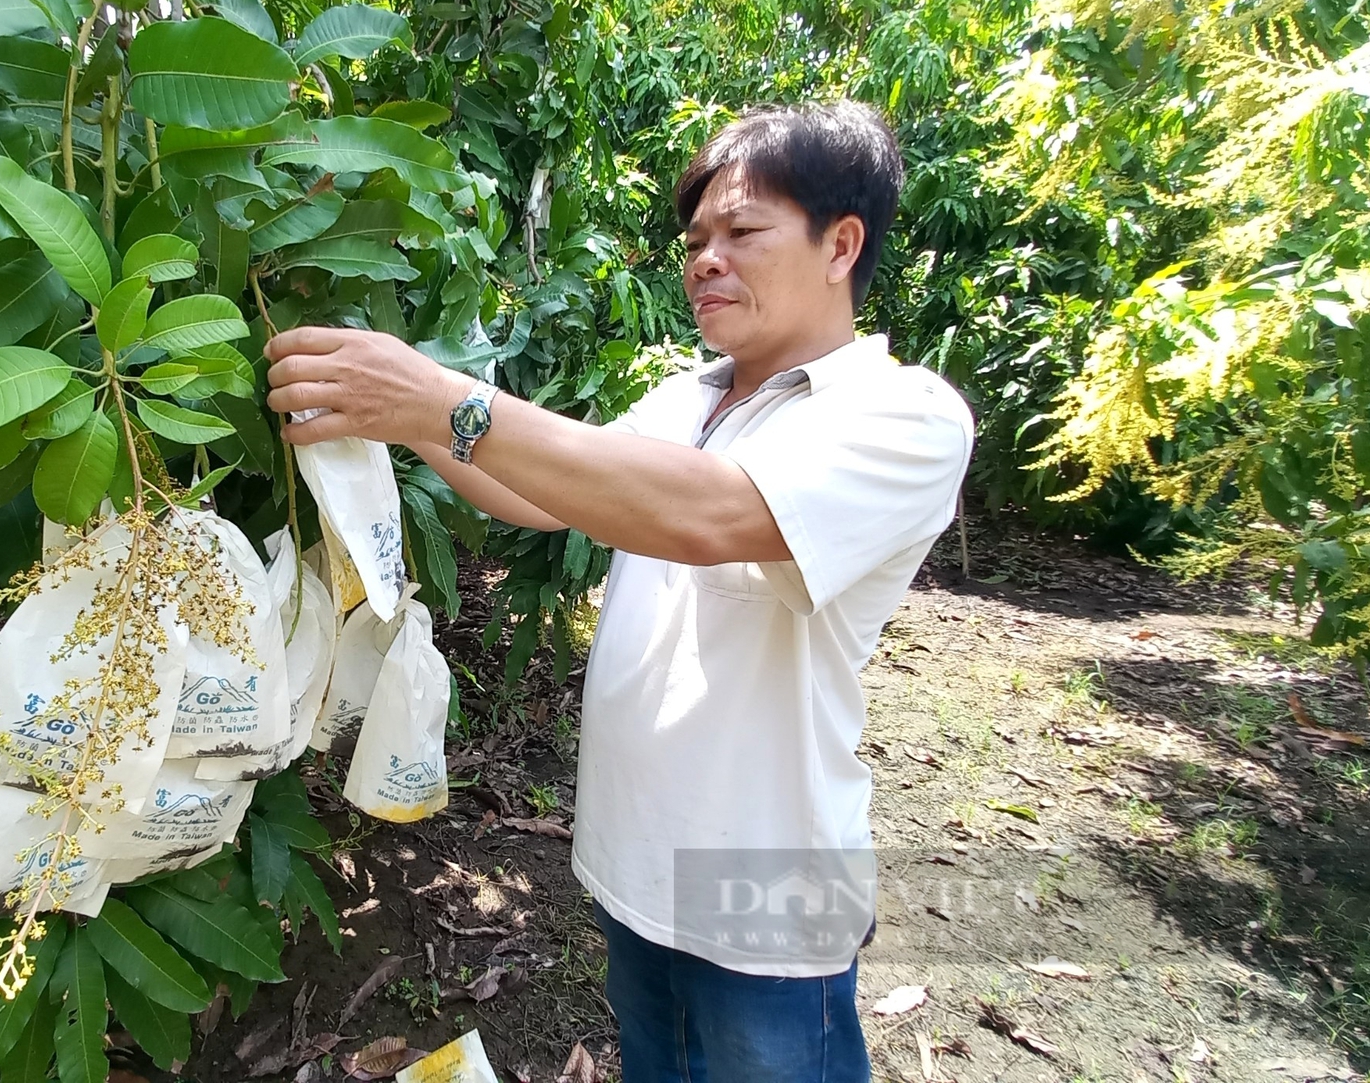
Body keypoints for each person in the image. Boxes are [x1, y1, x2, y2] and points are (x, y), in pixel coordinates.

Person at [263, 101, 974, 1083]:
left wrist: (442, 400)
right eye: (695, 241)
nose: (705, 260)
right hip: (635, 855)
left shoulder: (901, 414)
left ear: (838, 243)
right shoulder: (688, 397)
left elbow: (711, 515)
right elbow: (537, 492)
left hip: (766, 881)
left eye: (741, 232)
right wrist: (396, 409)